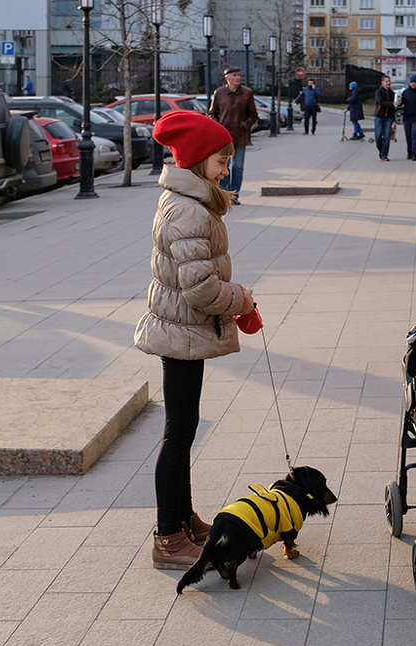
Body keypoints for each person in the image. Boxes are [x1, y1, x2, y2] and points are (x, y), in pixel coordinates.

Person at [134, 110, 256, 569]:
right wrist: (240, 299)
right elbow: (200, 288)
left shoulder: (192, 201)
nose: (226, 168)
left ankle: (184, 519)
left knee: (183, 429)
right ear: (198, 159)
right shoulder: (186, 209)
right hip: (181, 330)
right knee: (179, 433)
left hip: (184, 329)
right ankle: (168, 537)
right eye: (221, 160)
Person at [208, 67, 258, 205]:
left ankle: (234, 194)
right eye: (234, 75)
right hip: (223, 137)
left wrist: (245, 125)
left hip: (240, 135)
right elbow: (212, 113)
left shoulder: (247, 93)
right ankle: (224, 194)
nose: (238, 77)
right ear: (227, 77)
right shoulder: (219, 93)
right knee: (224, 166)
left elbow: (253, 115)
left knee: (238, 166)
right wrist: (218, 127)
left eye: (239, 75)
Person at [373, 75, 396, 161]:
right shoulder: (379, 91)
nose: (388, 83)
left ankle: (384, 155)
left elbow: (392, 107)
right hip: (379, 117)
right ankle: (381, 151)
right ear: (382, 83)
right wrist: (392, 103)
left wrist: (394, 120)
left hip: (388, 118)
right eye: (386, 81)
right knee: (378, 137)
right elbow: (381, 102)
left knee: (387, 136)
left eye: (389, 81)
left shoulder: (392, 93)